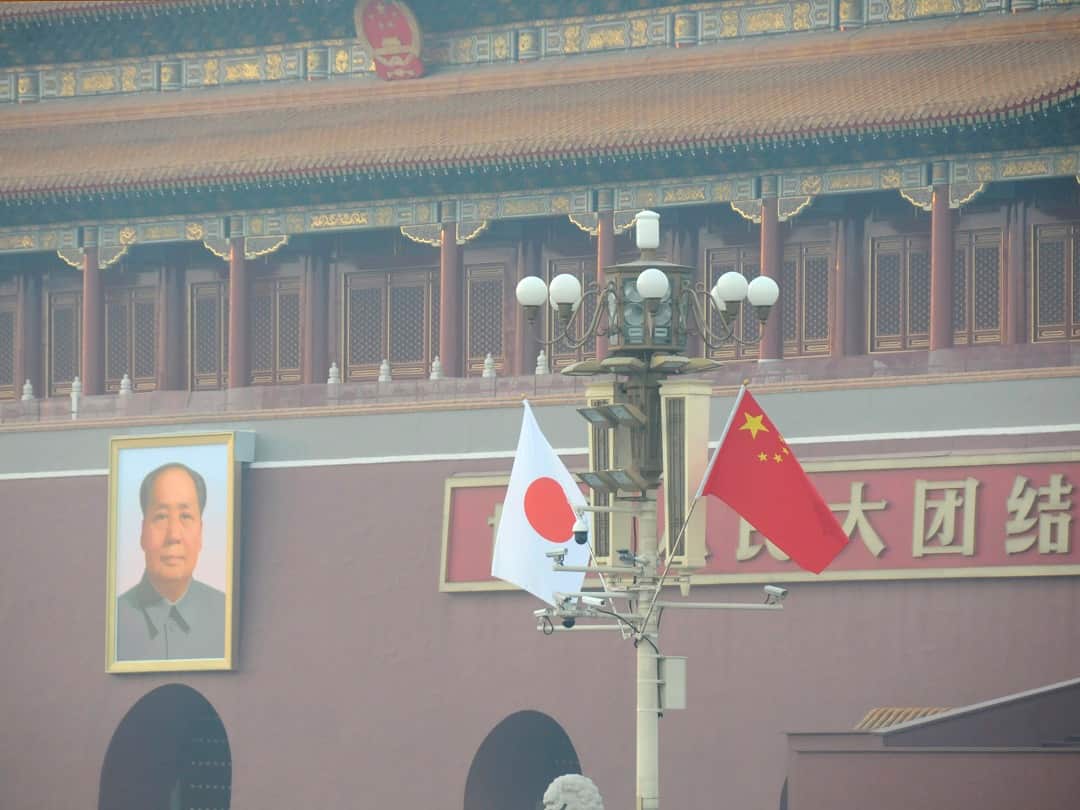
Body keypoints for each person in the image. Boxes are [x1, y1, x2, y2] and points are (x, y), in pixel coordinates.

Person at [115, 462, 226, 661]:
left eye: (185, 516)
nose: (174, 535)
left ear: (200, 532)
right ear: (142, 532)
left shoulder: (227, 617)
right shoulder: (114, 620)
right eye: (161, 517)